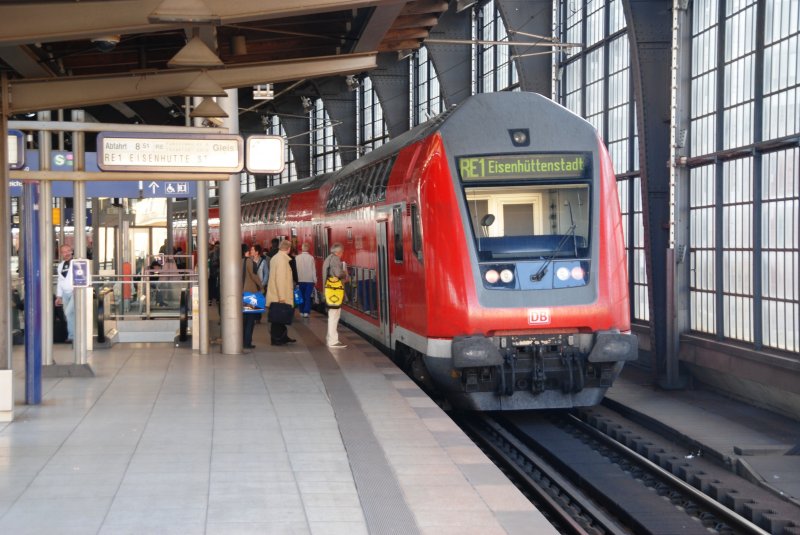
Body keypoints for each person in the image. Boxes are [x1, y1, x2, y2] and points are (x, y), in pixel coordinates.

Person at [266, 240, 296, 346]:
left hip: (275, 293)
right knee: (278, 318)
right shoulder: (282, 260)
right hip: (280, 295)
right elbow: (280, 279)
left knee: (278, 318)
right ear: (288, 249)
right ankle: (277, 339)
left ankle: (283, 337)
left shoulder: (275, 258)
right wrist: (282, 297)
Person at [321, 243, 347, 348]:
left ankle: (330, 338)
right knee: (334, 316)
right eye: (342, 252)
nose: (342, 254)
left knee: (332, 315)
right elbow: (338, 273)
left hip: (329, 290)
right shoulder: (335, 259)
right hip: (334, 291)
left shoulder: (328, 258)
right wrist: (344, 273)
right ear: (339, 252)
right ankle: (333, 341)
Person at [242, 244, 263, 349]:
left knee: (243, 319)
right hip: (250, 293)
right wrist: (261, 286)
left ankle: (242, 341)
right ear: (246, 251)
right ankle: (247, 342)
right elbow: (254, 275)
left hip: (241, 293)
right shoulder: (248, 261)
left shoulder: (239, 260)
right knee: (250, 319)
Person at [55, 245, 75, 343]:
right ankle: (72, 336)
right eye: (64, 252)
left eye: (68, 251)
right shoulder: (60, 266)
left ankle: (76, 335)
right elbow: (60, 281)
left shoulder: (77, 263)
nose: (66, 253)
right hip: (65, 293)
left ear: (71, 251)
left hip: (75, 292)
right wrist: (59, 296)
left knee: (68, 312)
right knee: (69, 315)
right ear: (61, 254)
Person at [295, 242, 316, 318]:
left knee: (301, 296)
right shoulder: (311, 258)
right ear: (308, 249)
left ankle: (301, 311)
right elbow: (313, 270)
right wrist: (315, 279)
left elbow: (295, 270)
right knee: (307, 296)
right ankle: (306, 312)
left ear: (302, 248)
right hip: (309, 280)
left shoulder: (297, 257)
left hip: (300, 280)